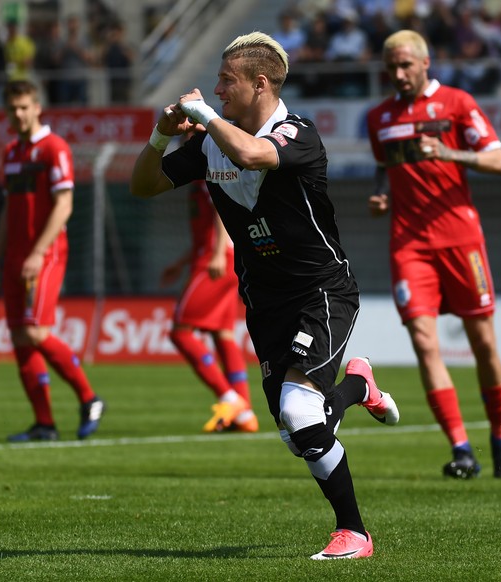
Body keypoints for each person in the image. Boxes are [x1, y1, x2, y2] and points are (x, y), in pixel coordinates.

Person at [131, 32, 399, 560]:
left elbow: (253, 155)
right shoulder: (210, 144)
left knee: (301, 415)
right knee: (296, 428)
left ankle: (355, 534)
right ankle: (358, 386)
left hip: (321, 291)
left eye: (225, 81)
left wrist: (204, 116)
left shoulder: (296, 133)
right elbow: (143, 186)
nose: (216, 89)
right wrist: (162, 136)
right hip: (265, 300)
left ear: (259, 84)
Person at [365, 30, 501, 480]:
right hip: (409, 244)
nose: (399, 73)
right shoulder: (379, 117)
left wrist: (449, 151)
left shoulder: (457, 103)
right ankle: (461, 448)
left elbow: (498, 160)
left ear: (426, 63)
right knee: (424, 342)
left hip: (461, 240)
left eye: (406, 65)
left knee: (483, 344)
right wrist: (380, 197)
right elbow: (383, 167)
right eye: (392, 66)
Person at [0, 79, 105, 442]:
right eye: (12, 108)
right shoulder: (11, 152)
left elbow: (64, 204)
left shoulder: (55, 148)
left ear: (37, 107)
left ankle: (89, 398)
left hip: (46, 253)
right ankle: (44, 425)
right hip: (15, 256)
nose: (19, 114)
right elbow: (9, 208)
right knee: (21, 338)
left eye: (24, 107)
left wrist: (38, 252)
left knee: (36, 331)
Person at [159, 176, 258, 433]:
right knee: (223, 334)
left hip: (215, 260)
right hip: (223, 256)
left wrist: (216, 254)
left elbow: (222, 209)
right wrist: (181, 263)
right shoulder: (199, 177)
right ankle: (245, 415)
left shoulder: (208, 171)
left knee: (180, 332)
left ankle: (230, 399)